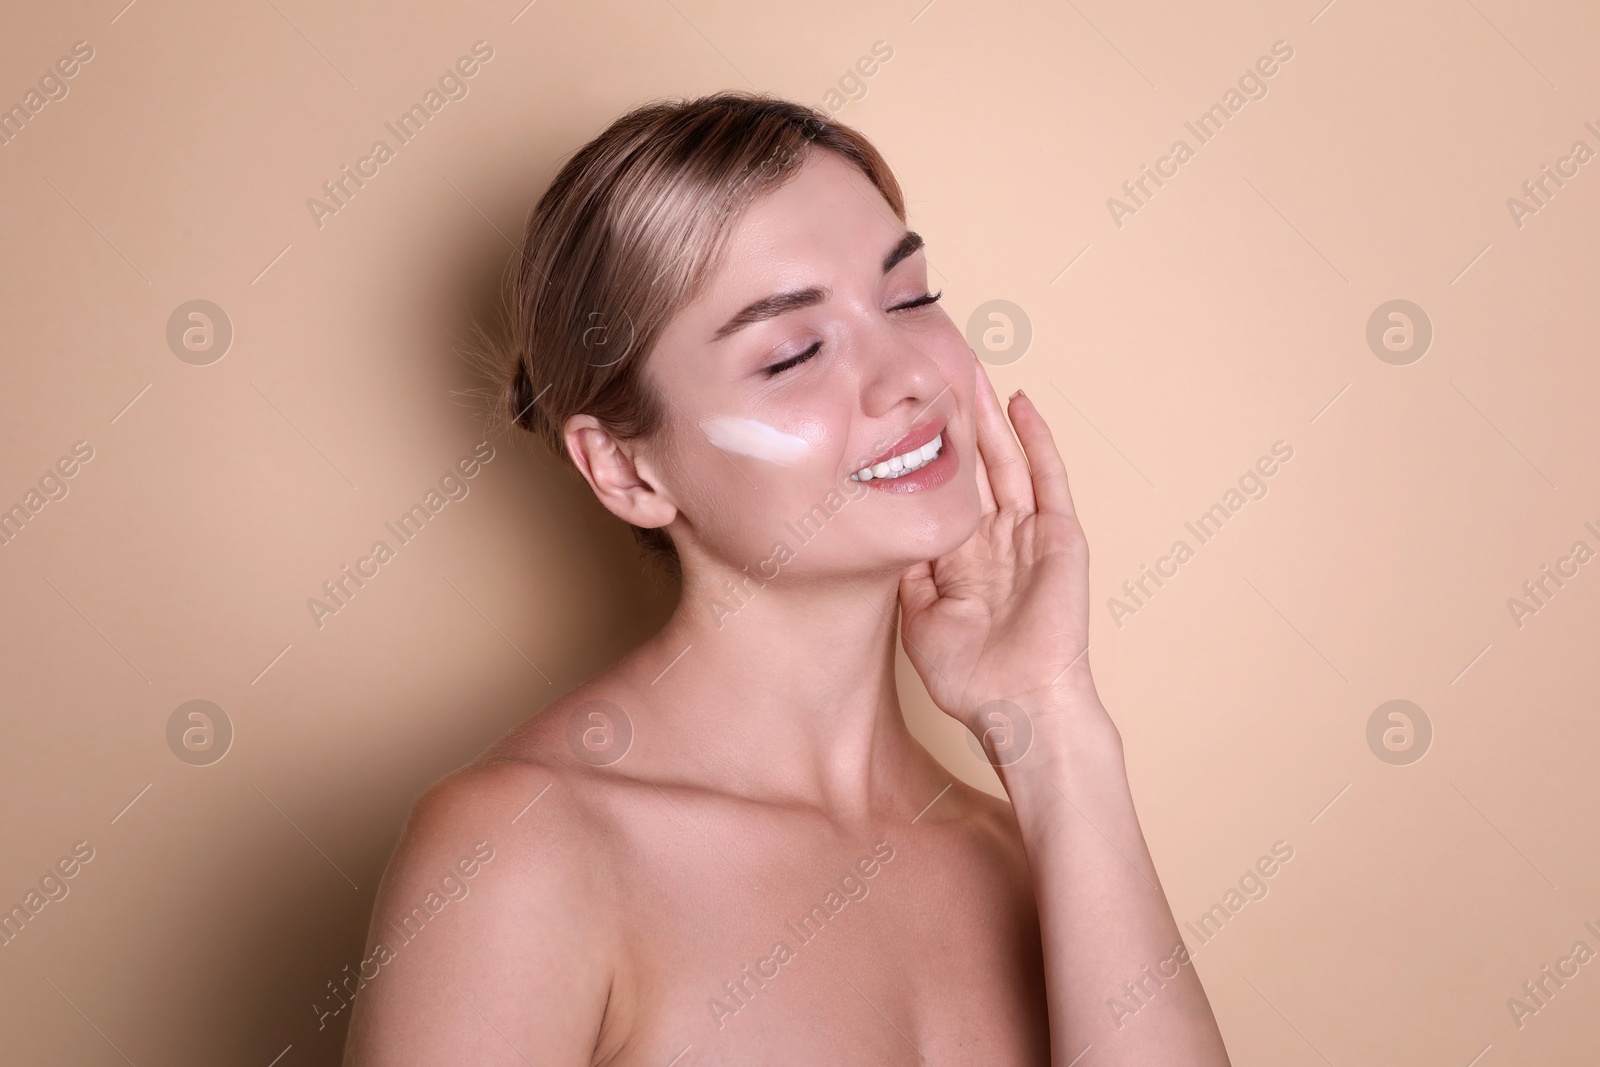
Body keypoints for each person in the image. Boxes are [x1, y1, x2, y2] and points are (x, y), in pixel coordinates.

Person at [341, 90, 1231, 1066]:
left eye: (909, 298)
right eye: (795, 350)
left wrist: (1052, 719)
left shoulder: (1028, 856)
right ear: (627, 470)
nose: (910, 376)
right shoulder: (522, 850)